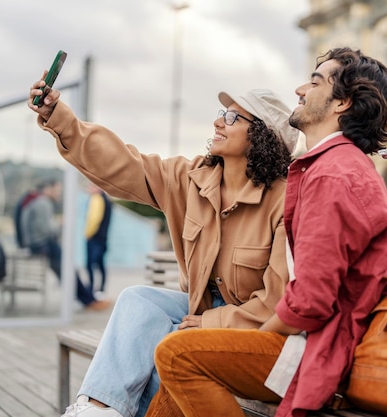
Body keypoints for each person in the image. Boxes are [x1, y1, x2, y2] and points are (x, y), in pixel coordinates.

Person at [144, 47, 387, 417]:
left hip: (322, 351)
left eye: (315, 81)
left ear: (342, 102)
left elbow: (310, 301)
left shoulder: (334, 173)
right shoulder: (329, 166)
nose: (300, 89)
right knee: (186, 349)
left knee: (179, 353)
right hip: (313, 341)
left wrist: (255, 333)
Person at [28, 77, 298, 417]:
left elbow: (278, 301)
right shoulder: (191, 179)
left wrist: (211, 322)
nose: (218, 121)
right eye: (221, 113)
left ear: (262, 136)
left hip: (255, 329)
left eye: (232, 118)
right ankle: (99, 409)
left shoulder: (286, 200)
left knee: (168, 343)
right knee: (137, 299)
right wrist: (59, 117)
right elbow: (123, 164)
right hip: (201, 310)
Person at [20, 179, 111, 311]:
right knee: (68, 270)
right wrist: (62, 225)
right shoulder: (44, 203)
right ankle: (89, 300)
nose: (59, 193)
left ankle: (87, 299)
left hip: (37, 244)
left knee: (68, 270)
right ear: (48, 189)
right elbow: (47, 230)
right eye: (57, 190)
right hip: (43, 244)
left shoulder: (37, 202)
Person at [84, 182, 112, 295]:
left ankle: (91, 289)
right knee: (100, 265)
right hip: (103, 238)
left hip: (95, 237)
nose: (89, 189)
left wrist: (88, 233)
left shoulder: (96, 199)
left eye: (91, 186)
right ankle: (101, 289)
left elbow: (94, 219)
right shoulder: (107, 200)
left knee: (90, 264)